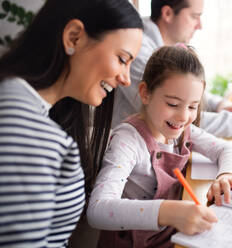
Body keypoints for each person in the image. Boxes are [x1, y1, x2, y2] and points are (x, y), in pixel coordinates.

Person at [0, 0, 143, 247]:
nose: (126, 79)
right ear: (74, 38)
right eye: (122, 59)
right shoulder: (32, 134)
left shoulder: (21, 101)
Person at [87, 46, 232, 247]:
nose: (183, 116)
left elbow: (228, 149)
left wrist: (227, 175)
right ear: (145, 93)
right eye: (172, 104)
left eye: (192, 106)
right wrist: (169, 212)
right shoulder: (128, 141)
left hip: (172, 238)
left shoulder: (184, 131)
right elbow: (98, 210)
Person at [112, 0, 232, 138]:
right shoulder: (138, 49)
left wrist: (220, 104)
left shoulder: (166, 47)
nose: (200, 25)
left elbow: (181, 95)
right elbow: (177, 117)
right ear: (167, 13)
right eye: (194, 16)